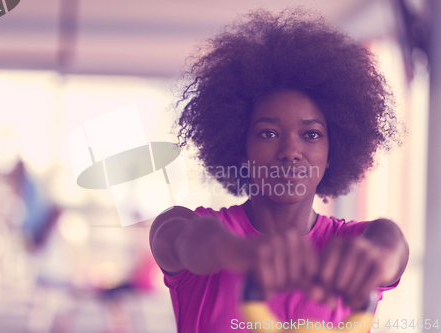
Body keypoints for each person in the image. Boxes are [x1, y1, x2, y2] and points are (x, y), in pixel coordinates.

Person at [149, 8, 409, 333]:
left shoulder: (352, 243)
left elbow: (391, 244)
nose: (290, 153)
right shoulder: (206, 231)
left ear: (333, 152)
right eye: (268, 133)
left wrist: (373, 255)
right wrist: (237, 250)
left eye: (311, 134)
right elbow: (175, 236)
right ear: (241, 147)